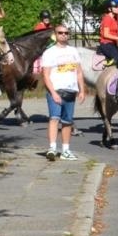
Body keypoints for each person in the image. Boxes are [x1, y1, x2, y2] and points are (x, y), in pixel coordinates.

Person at [40, 24, 84, 161]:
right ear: (55, 34)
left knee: (67, 121)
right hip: (56, 90)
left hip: (70, 90)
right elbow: (46, 75)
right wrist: (53, 93)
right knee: (54, 118)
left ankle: (66, 150)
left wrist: (82, 90)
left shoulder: (73, 51)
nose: (63, 35)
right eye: (60, 33)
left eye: (66, 33)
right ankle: (52, 148)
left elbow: (79, 72)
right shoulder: (49, 52)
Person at [97, 1, 118, 66]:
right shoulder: (107, 18)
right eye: (116, 7)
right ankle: (107, 66)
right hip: (106, 44)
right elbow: (106, 34)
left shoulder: (114, 19)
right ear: (109, 9)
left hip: (113, 44)